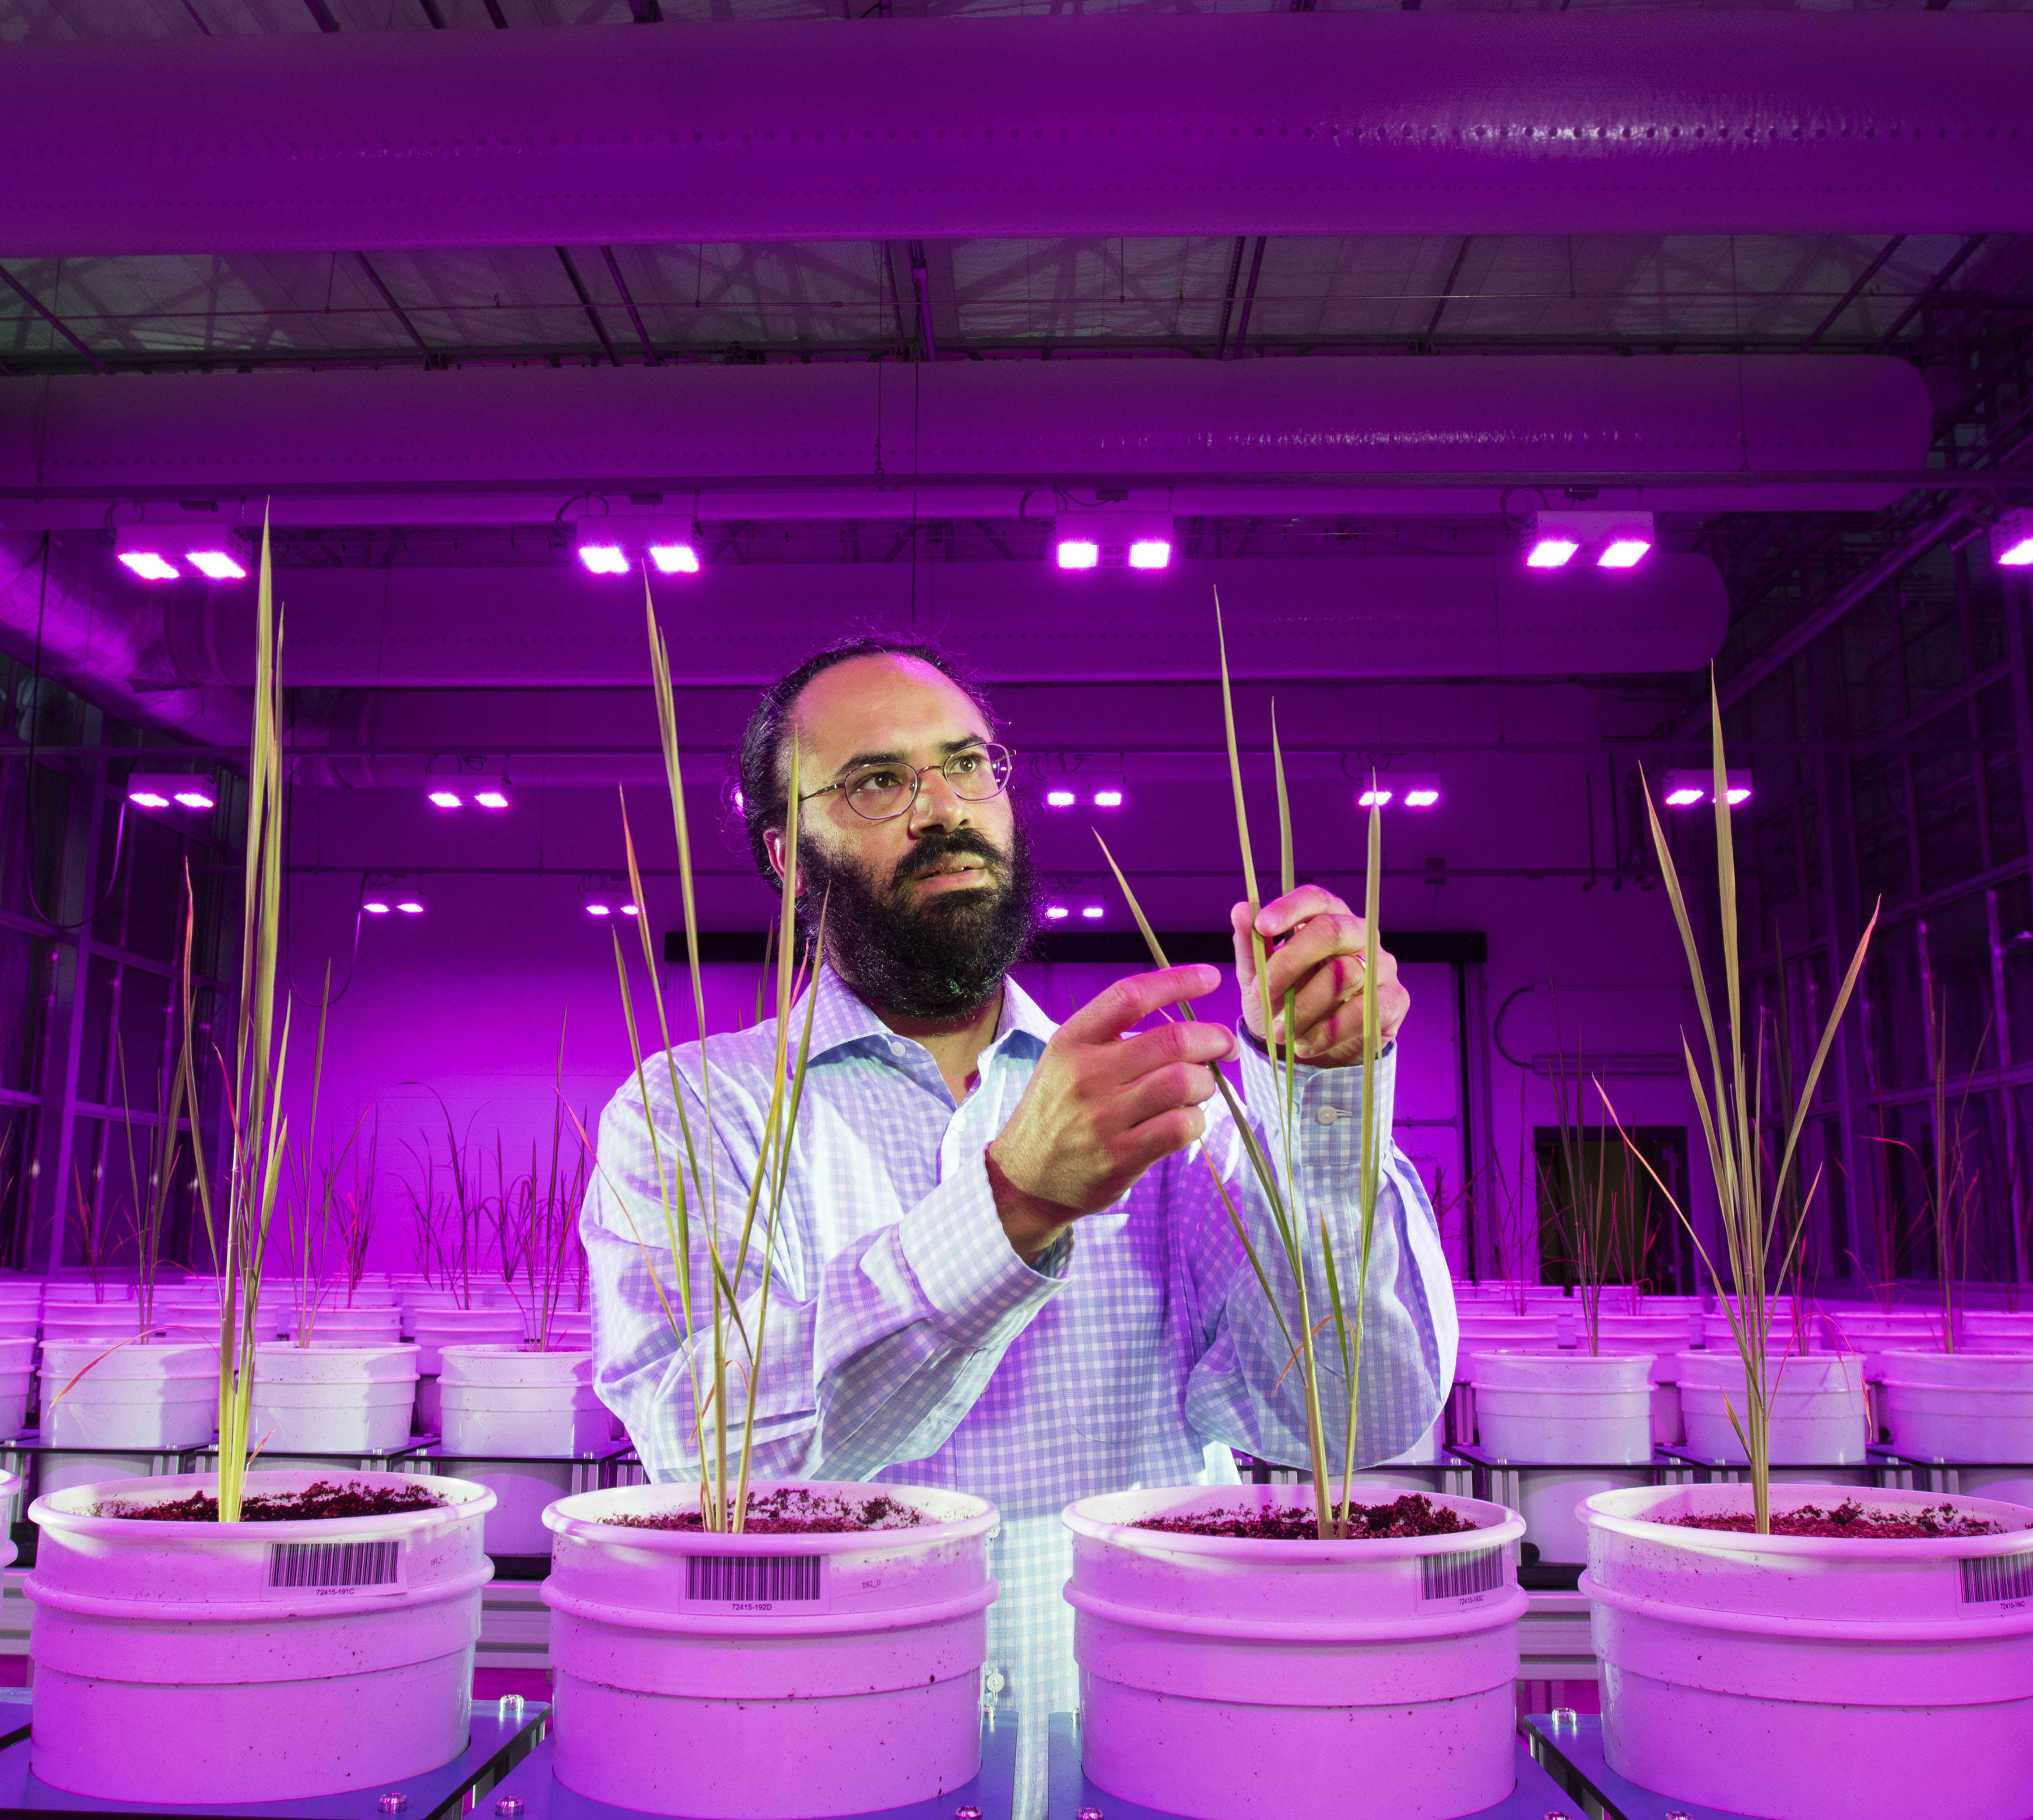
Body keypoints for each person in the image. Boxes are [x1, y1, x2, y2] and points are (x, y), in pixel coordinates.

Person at [581, 631, 1456, 1721]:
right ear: (783, 855)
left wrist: (1324, 1095)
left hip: (1150, 1765)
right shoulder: (689, 1112)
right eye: (875, 781)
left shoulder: (1165, 1099)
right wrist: (1011, 1205)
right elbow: (713, 1463)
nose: (941, 806)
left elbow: (1353, 1416)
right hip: (821, 1770)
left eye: (967, 765)